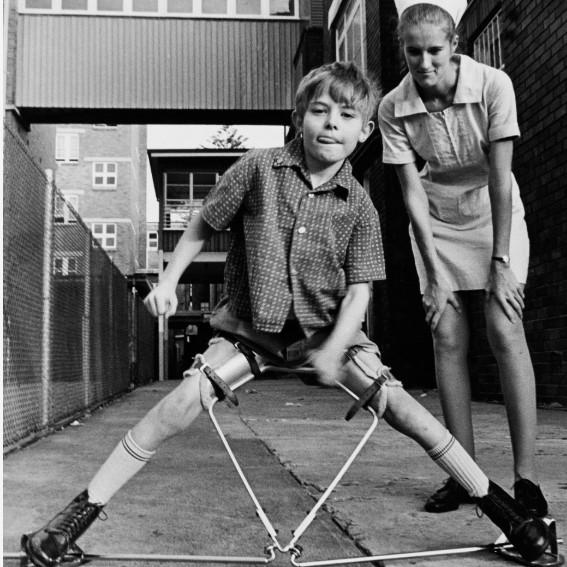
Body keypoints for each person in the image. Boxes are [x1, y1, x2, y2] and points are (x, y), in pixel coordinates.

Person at [22, 61, 548, 567]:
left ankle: (507, 514)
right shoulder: (257, 169)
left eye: (346, 117)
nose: (331, 125)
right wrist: (167, 281)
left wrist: (339, 347)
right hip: (252, 331)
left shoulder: (360, 206)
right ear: (299, 118)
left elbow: (360, 292)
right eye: (320, 112)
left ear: (365, 131)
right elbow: (204, 223)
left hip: (328, 334)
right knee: (179, 404)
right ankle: (75, 515)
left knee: (407, 411)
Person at [378, 0, 548, 515]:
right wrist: (432, 275)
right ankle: (465, 475)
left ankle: (527, 481)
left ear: (455, 46)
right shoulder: (391, 107)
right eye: (414, 53)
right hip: (436, 221)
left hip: (491, 213)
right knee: (447, 335)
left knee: (504, 327)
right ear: (402, 51)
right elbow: (411, 195)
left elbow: (499, 179)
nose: (424, 63)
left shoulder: (494, 85)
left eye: (434, 50)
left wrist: (501, 263)